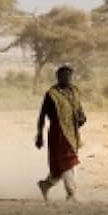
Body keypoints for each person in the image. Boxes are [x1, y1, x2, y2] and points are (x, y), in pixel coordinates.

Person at [35, 65, 87, 201]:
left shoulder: (75, 91)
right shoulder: (51, 94)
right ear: (58, 77)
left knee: (62, 166)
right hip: (57, 134)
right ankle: (71, 193)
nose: (67, 78)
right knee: (68, 161)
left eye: (69, 76)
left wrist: (82, 118)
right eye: (63, 76)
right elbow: (42, 116)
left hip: (73, 133)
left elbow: (79, 110)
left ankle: (45, 185)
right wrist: (39, 135)